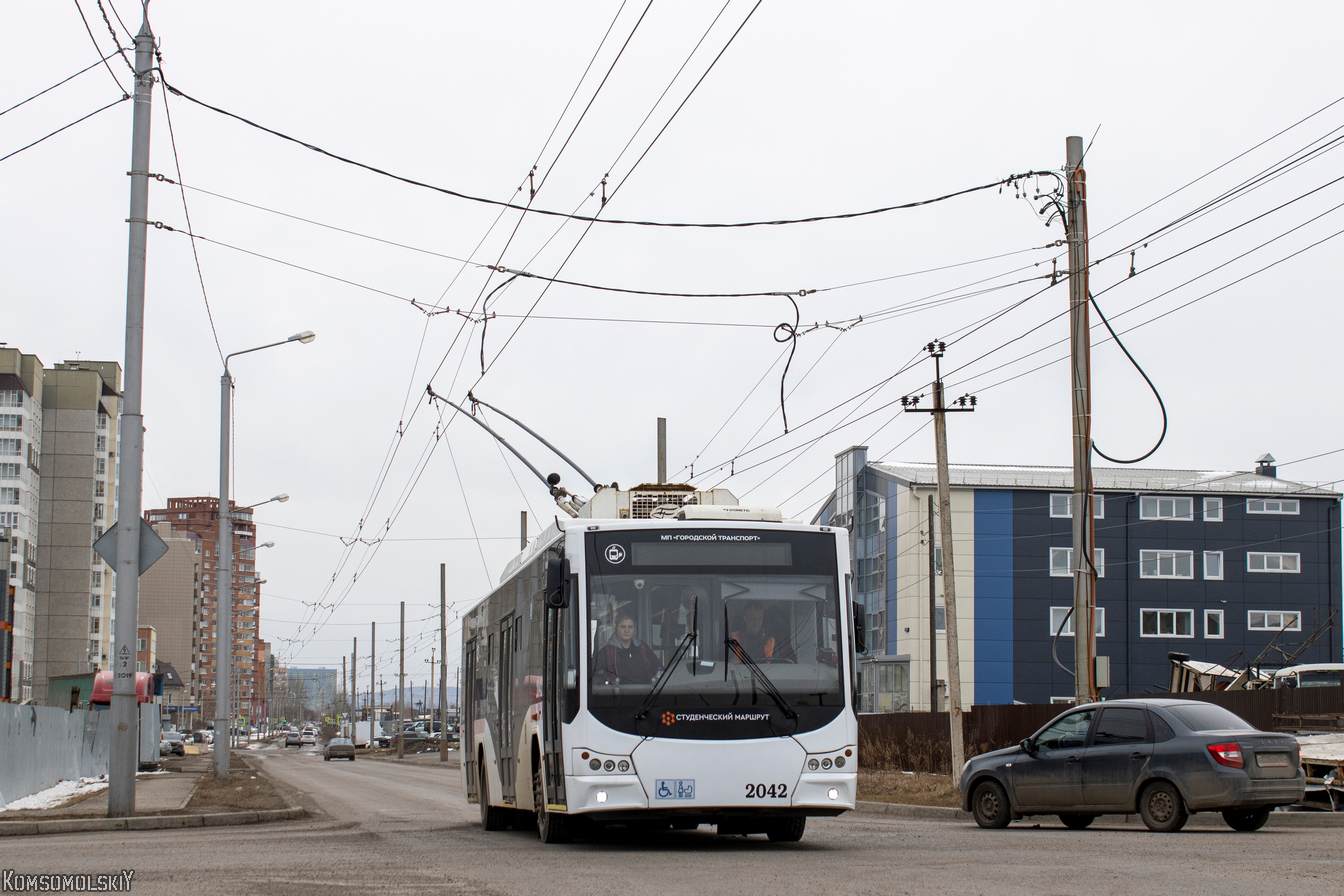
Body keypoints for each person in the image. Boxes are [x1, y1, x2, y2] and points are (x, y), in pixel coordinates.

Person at [594, 613, 658, 685]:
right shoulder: (607, 650)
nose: (627, 630)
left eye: (630, 627)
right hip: (617, 694)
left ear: (634, 629)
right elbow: (590, 672)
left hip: (645, 694)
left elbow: (658, 668)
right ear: (616, 628)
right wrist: (605, 684)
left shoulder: (642, 647)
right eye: (623, 627)